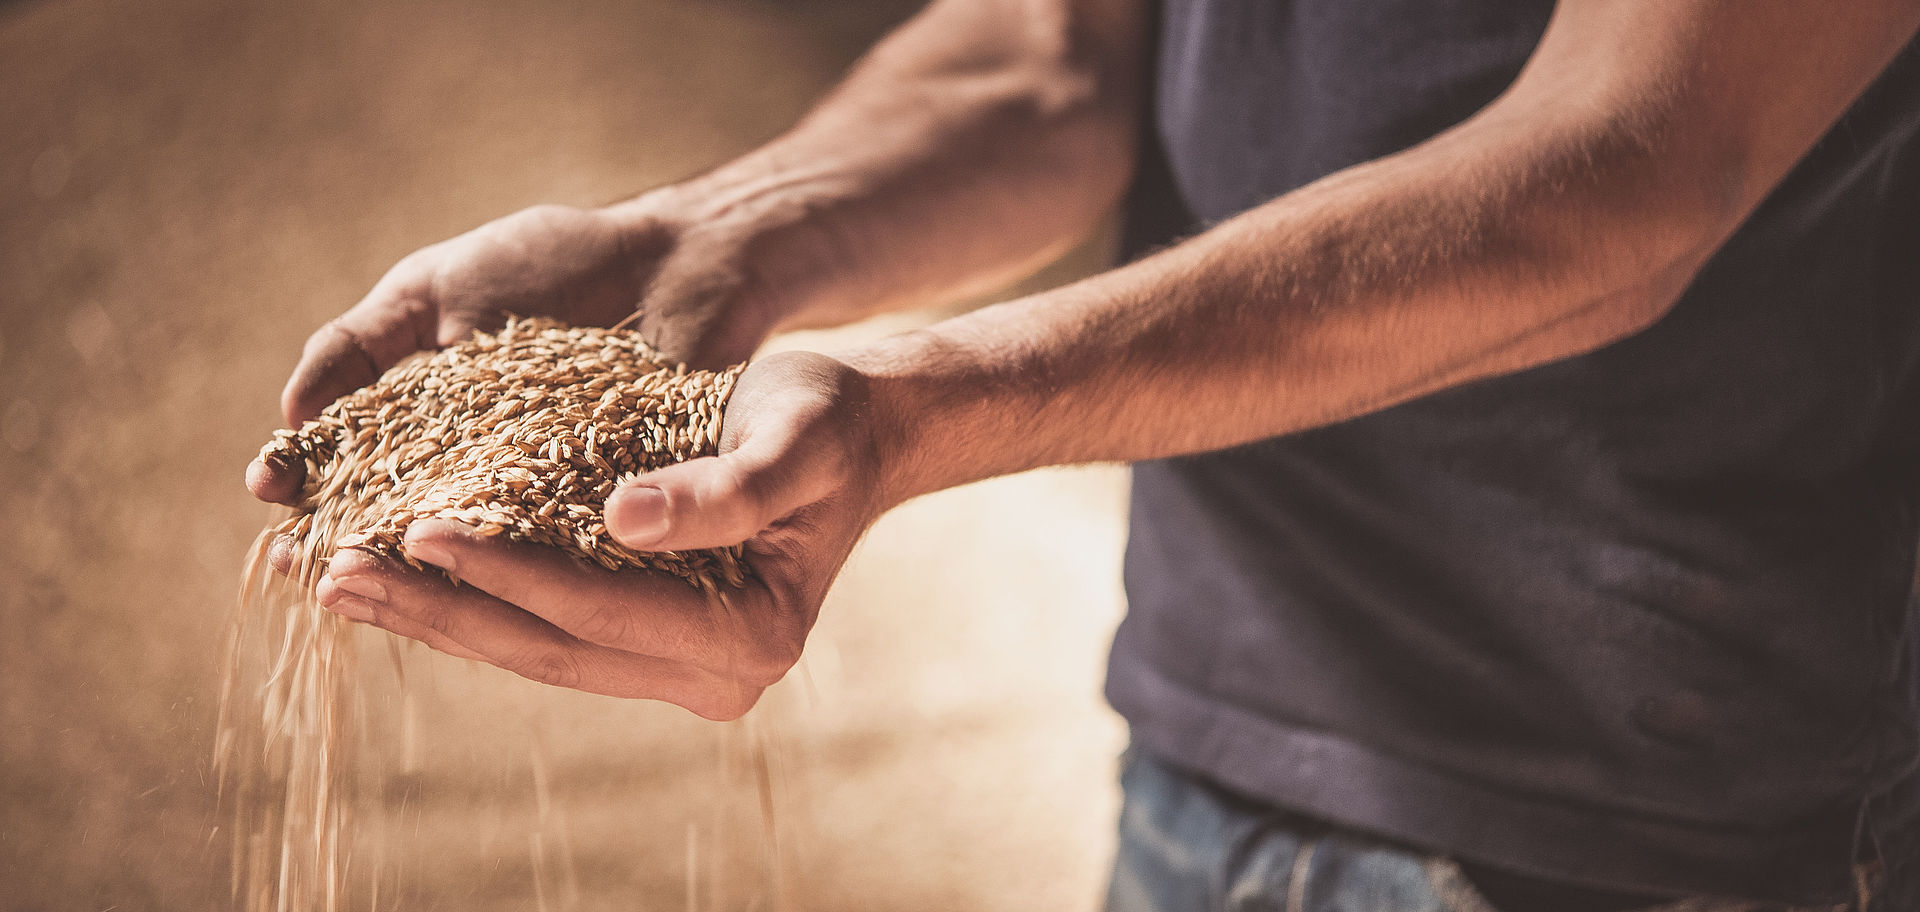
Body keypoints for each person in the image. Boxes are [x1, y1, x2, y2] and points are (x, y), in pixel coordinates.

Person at [247, 0, 1920, 908]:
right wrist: (705, 250)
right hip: (1208, 755)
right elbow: (1053, 48)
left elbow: (1629, 169)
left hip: (1630, 816)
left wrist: (912, 406)